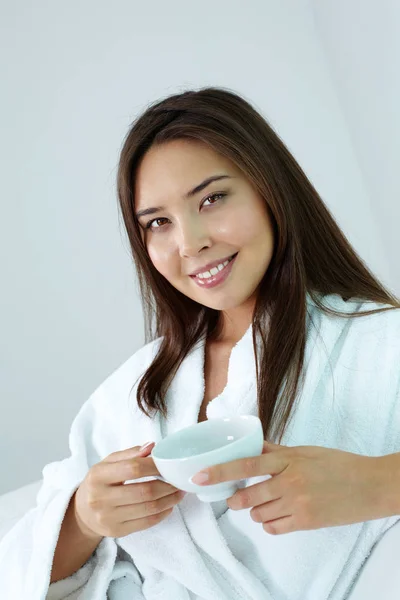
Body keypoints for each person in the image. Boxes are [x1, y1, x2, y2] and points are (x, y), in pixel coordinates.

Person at [1, 86, 400, 600]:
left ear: (270, 190)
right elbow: (24, 563)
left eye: (211, 199)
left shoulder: (380, 343)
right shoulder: (135, 389)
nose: (189, 243)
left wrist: (379, 483)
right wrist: (82, 518)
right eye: (158, 223)